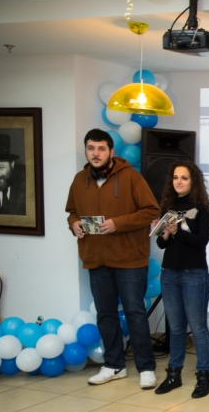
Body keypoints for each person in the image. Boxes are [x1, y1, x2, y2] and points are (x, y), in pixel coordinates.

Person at [65, 128, 158, 389]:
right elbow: (72, 212)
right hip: (96, 258)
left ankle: (146, 367)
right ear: (86, 151)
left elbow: (151, 210)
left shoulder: (131, 177)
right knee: (105, 314)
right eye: (91, 148)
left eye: (101, 149)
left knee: (135, 313)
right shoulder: (79, 180)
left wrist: (118, 223)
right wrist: (73, 224)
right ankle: (114, 365)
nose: (96, 153)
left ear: (111, 151)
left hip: (130, 259)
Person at [153, 162, 209, 398]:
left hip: (193, 273)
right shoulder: (168, 206)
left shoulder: (203, 208)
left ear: (193, 181)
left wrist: (178, 231)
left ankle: (204, 377)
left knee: (198, 328)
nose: (179, 182)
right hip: (169, 272)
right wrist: (165, 232)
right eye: (176, 177)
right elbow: (161, 243)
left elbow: (201, 241)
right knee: (176, 328)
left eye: (184, 178)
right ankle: (174, 374)